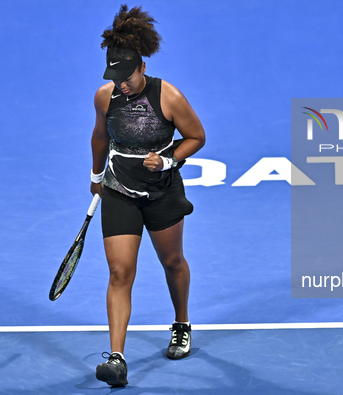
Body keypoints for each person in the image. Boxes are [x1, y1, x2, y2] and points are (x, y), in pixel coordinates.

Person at [90, 5, 205, 387]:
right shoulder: (105, 97)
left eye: (126, 76)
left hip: (161, 192)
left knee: (172, 262)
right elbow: (100, 137)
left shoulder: (168, 96)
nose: (120, 83)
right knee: (120, 271)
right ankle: (117, 359)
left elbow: (196, 138)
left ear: (141, 66)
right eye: (114, 77)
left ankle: (182, 322)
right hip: (119, 189)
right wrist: (96, 175)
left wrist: (169, 159)